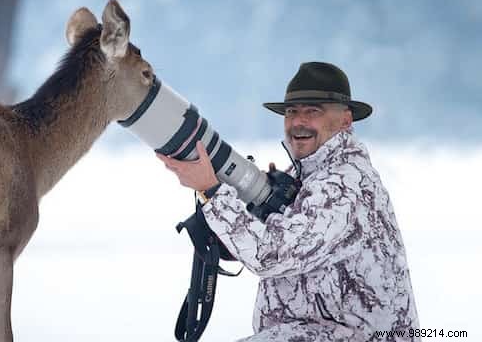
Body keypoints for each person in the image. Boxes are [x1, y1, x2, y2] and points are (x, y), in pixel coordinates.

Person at [157, 62, 420, 341]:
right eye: (292, 112)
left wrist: (212, 191)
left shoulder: (344, 184)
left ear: (345, 120)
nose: (298, 121)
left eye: (312, 112)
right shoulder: (309, 176)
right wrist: (254, 211)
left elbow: (271, 254)